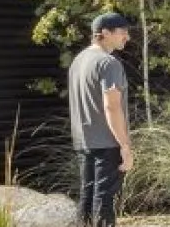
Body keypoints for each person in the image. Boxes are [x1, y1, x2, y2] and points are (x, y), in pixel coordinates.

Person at [68, 12, 135, 227]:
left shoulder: (78, 61)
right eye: (122, 32)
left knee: (87, 198)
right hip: (107, 143)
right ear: (105, 33)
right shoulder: (109, 63)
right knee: (104, 201)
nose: (127, 37)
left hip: (83, 142)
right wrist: (124, 145)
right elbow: (112, 106)